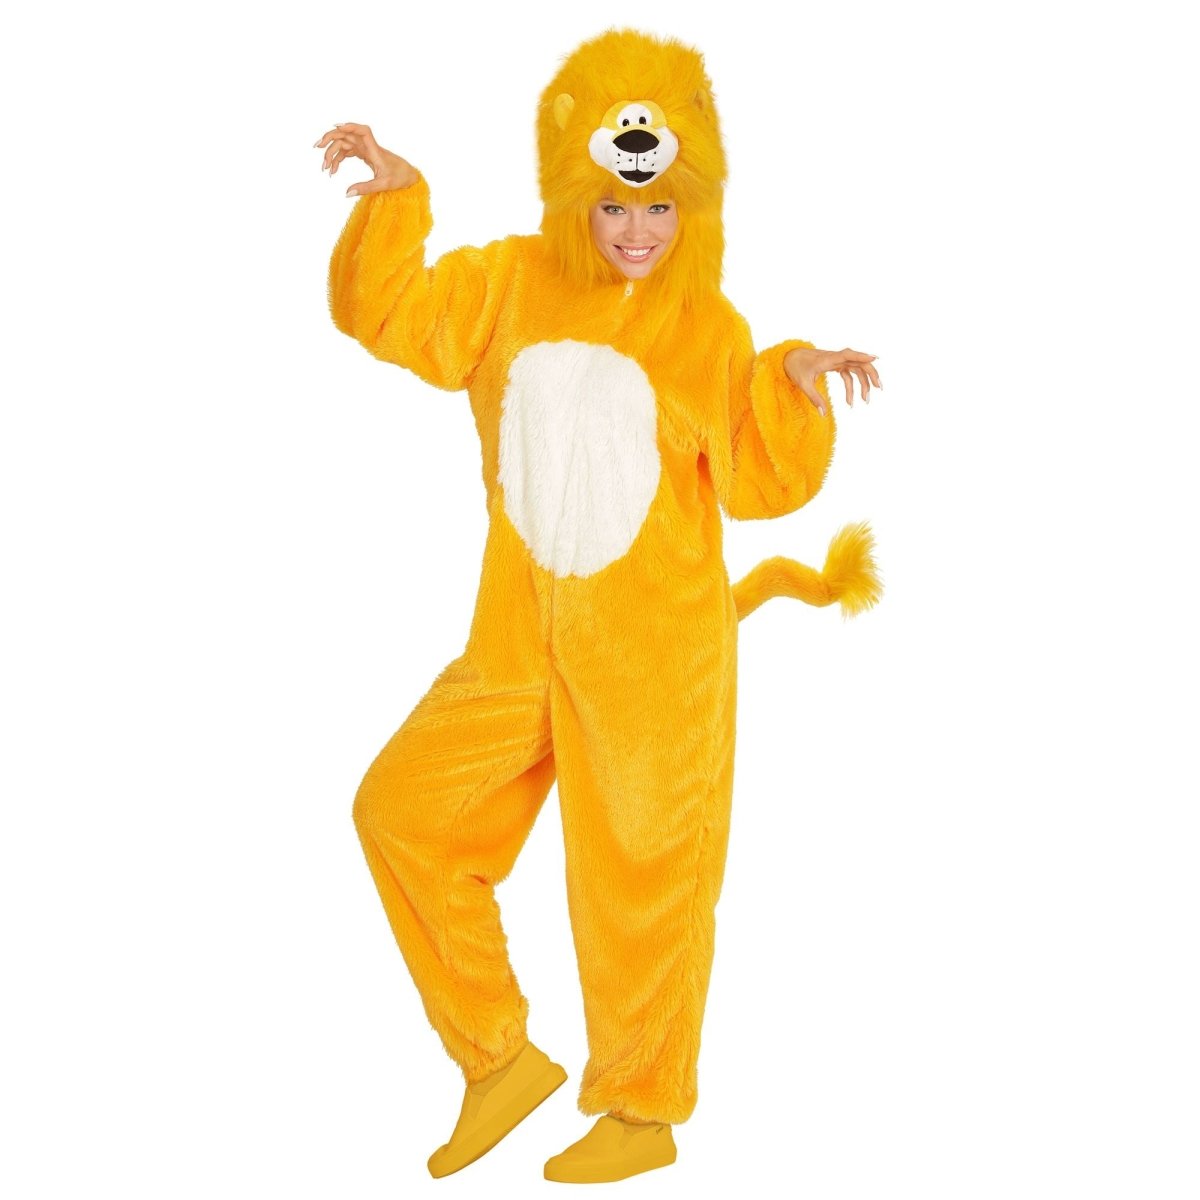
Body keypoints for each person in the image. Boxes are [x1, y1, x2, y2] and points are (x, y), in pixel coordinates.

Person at [318, 27, 882, 1185]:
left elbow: (761, 480)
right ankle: (497, 1058)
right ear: (574, 188)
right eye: (615, 205)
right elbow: (397, 316)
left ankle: (640, 1109)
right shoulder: (508, 284)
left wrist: (790, 379)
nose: (636, 231)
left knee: (642, 879)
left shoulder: (708, 330)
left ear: (693, 206)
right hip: (515, 644)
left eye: (660, 207)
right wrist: (400, 199)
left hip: (656, 660)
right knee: (401, 813)